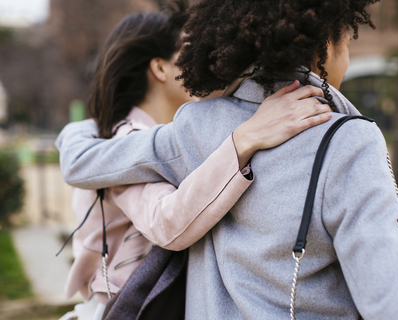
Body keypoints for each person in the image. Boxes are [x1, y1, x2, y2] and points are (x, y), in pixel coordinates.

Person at [56, 0, 398, 319]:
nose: (347, 57)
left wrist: (82, 126)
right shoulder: (349, 141)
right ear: (325, 44)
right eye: (347, 41)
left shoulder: (198, 126)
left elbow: (81, 162)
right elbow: (394, 305)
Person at [58, 3, 333, 320]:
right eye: (188, 53)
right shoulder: (128, 139)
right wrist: (246, 139)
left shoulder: (152, 135)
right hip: (132, 309)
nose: (200, 63)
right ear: (160, 69)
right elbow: (168, 223)